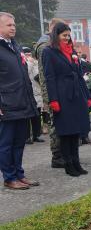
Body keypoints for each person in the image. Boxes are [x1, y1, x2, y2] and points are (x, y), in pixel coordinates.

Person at [42, 22, 91, 177]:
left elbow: (79, 74)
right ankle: (68, 165)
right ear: (56, 35)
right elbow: (49, 78)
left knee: (76, 131)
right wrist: (53, 100)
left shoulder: (71, 52)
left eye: (69, 35)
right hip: (62, 95)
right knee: (66, 132)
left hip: (76, 95)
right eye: (64, 35)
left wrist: (87, 96)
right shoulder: (48, 52)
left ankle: (77, 163)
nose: (67, 38)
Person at [0, 12, 40, 190]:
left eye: (14, 24)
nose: (13, 27)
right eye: (9, 25)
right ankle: (9, 178)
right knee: (6, 144)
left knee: (19, 142)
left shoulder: (14, 46)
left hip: (22, 102)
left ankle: (19, 174)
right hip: (6, 105)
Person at [34, 18, 65, 167]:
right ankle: (57, 156)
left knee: (62, 122)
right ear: (52, 28)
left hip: (58, 89)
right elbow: (46, 73)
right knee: (56, 123)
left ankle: (63, 153)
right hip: (51, 91)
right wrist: (50, 96)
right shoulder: (45, 46)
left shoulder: (52, 43)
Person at [22, 46, 45, 144]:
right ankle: (27, 136)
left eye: (29, 54)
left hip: (36, 92)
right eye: (26, 55)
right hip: (27, 93)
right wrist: (30, 63)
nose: (28, 56)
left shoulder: (34, 63)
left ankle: (36, 135)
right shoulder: (24, 63)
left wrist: (35, 63)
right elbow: (25, 72)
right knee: (27, 117)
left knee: (37, 115)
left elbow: (38, 75)